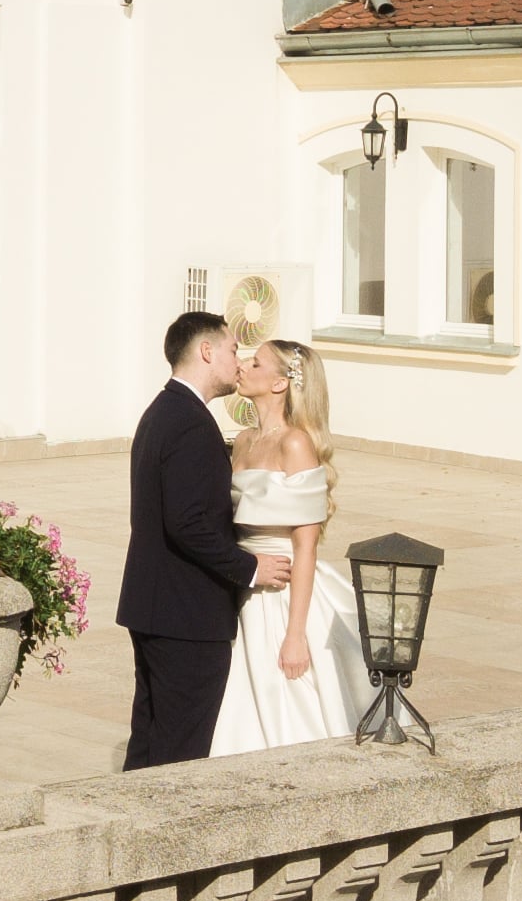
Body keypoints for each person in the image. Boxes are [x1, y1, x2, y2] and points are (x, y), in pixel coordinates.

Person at [118, 311, 291, 768]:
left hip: (155, 606)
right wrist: (250, 568)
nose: (238, 361)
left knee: (150, 739)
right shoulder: (190, 422)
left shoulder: (163, 411)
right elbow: (188, 523)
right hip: (186, 614)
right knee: (181, 751)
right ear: (207, 351)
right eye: (233, 350)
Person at [208, 338, 373, 757]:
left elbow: (306, 546)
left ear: (280, 383)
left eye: (257, 363)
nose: (244, 365)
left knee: (285, 696)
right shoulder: (243, 441)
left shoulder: (295, 444)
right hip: (246, 586)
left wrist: (295, 635)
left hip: (286, 593)